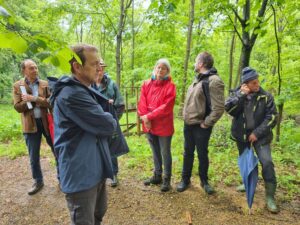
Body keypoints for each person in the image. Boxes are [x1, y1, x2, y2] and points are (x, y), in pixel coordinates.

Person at [50, 44, 117, 224]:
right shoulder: (71, 95)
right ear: (77, 67)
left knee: (98, 214)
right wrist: (108, 116)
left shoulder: (86, 89)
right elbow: (109, 124)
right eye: (94, 64)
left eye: (100, 64)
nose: (99, 68)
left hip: (94, 166)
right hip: (80, 174)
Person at [225, 67, 279, 213]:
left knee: (266, 162)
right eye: (254, 83)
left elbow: (272, 117)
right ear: (245, 84)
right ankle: (247, 183)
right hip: (242, 137)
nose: (257, 85)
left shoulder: (266, 96)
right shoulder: (236, 94)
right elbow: (230, 110)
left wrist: (257, 133)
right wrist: (241, 96)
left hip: (260, 137)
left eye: (257, 82)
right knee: (246, 162)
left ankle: (270, 196)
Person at [176, 52, 224, 194]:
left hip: (201, 125)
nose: (194, 63)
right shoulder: (197, 80)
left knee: (202, 153)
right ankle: (185, 180)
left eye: (196, 61)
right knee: (187, 152)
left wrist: (207, 123)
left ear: (201, 64)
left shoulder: (214, 81)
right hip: (189, 124)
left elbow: (219, 107)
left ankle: (204, 182)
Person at [13, 59, 58, 195]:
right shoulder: (18, 86)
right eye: (31, 68)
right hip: (30, 125)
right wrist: (30, 103)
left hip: (46, 123)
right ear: (24, 71)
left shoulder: (45, 84)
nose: (35, 70)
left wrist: (34, 99)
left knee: (57, 151)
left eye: (36, 67)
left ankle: (63, 178)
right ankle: (38, 181)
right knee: (33, 156)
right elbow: (17, 107)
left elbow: (51, 102)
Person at [138, 58, 176, 192]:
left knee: (165, 152)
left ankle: (166, 179)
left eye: (163, 68)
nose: (160, 70)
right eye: (158, 67)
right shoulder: (146, 84)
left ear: (167, 71)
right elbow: (142, 102)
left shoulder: (170, 87)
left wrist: (148, 116)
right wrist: (145, 117)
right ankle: (157, 175)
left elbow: (166, 107)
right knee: (155, 151)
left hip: (164, 125)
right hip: (149, 125)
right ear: (155, 68)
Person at [93, 59, 125, 187]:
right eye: (97, 68)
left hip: (109, 123)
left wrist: (114, 120)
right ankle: (98, 175)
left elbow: (121, 104)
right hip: (94, 124)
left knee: (111, 148)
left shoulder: (111, 84)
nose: (99, 70)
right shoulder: (88, 85)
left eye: (102, 68)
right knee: (95, 149)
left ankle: (113, 174)